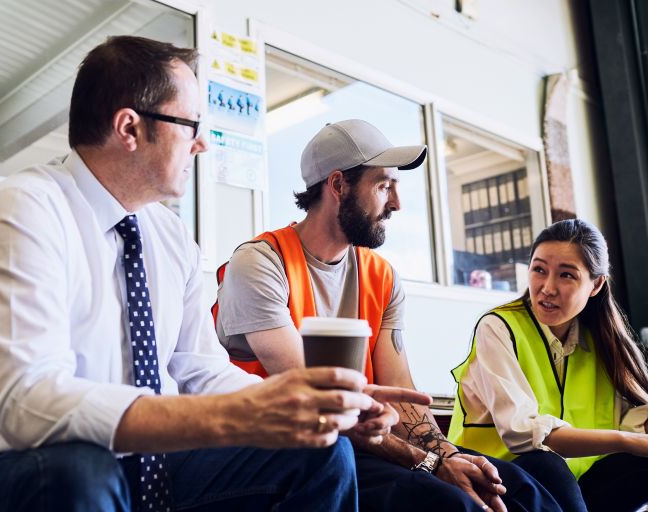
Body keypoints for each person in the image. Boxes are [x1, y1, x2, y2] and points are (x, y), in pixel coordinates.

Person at [0, 37, 430, 512]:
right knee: (81, 471)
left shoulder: (171, 239)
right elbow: (28, 403)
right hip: (8, 468)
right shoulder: (27, 207)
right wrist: (239, 416)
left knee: (318, 451)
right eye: (190, 125)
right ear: (130, 128)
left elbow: (201, 370)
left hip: (145, 463)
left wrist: (311, 408)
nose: (202, 146)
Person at [213, 119, 560, 512]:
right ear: (338, 185)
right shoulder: (259, 263)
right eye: (383, 186)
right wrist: (429, 464)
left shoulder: (381, 275)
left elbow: (403, 397)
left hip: (365, 439)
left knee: (524, 491)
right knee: (448, 503)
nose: (396, 203)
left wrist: (447, 455)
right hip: (290, 449)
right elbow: (320, 403)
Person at [448, 219, 648, 512]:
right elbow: (522, 435)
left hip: (578, 489)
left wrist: (635, 437)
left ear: (596, 284)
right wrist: (626, 440)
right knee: (546, 463)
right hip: (500, 481)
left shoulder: (607, 343)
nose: (547, 288)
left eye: (566, 275)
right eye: (539, 270)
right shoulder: (498, 327)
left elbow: (636, 420)